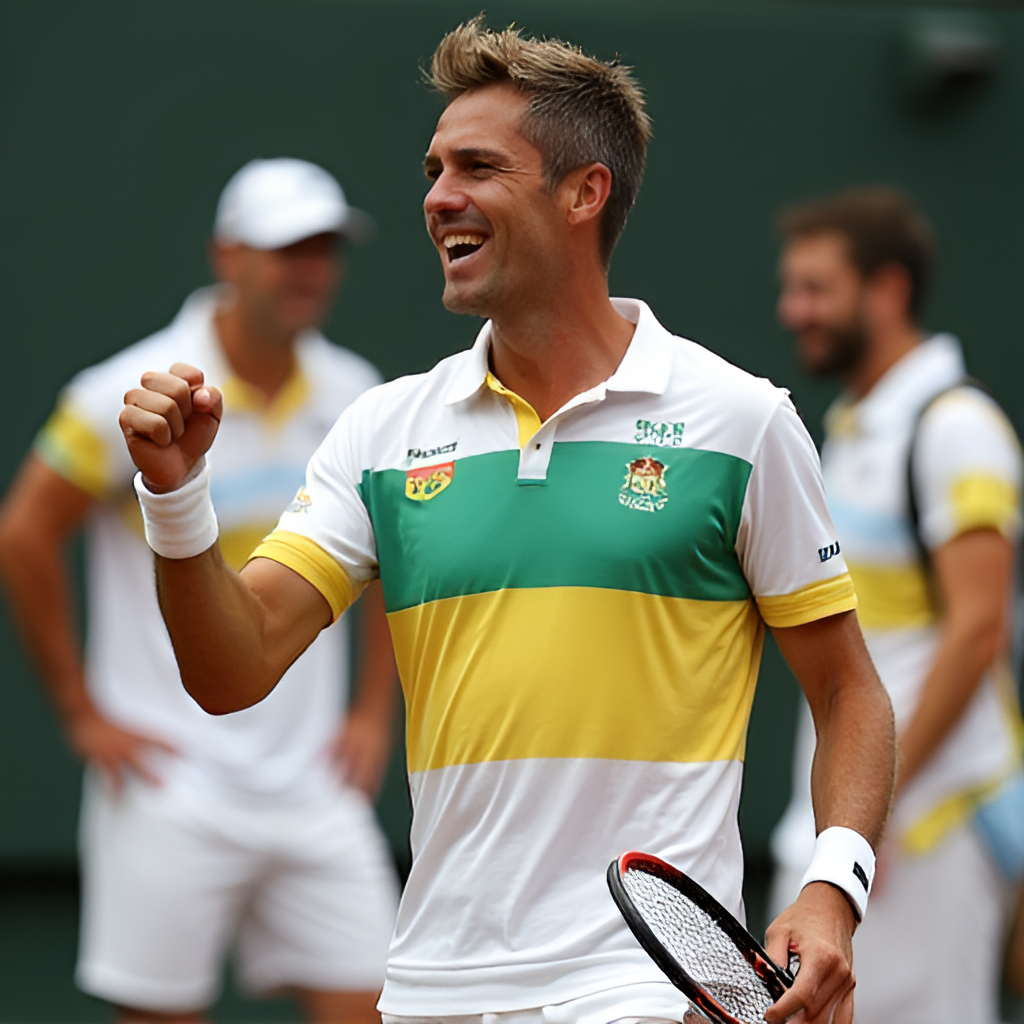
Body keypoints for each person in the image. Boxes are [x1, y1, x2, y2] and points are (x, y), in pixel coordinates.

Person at [117, 21, 896, 1024]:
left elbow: (850, 693)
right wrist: (177, 498)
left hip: (646, 987)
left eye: (478, 166)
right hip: (436, 983)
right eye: (434, 167)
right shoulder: (382, 431)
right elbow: (231, 669)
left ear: (584, 193)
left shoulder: (741, 420)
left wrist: (833, 892)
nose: (438, 196)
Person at [0, 158, 400, 1024]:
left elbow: (387, 569)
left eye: (324, 248)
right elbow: (22, 532)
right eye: (285, 247)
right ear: (228, 254)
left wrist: (372, 714)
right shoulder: (123, 393)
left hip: (313, 788)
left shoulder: (359, 398)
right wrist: (80, 710)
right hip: (170, 785)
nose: (308, 270)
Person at [772, 185, 1023, 1024]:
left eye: (816, 288)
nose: (792, 309)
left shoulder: (958, 429)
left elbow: (978, 631)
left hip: (928, 830)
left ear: (887, 290)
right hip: (856, 830)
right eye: (791, 288)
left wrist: (873, 805)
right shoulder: (852, 427)